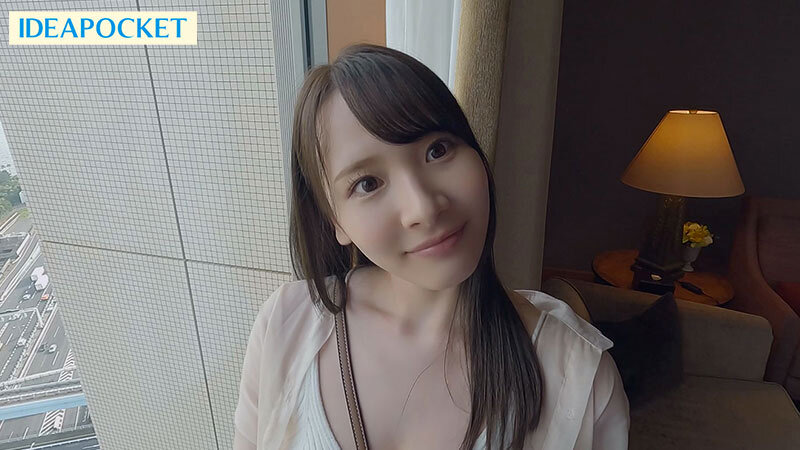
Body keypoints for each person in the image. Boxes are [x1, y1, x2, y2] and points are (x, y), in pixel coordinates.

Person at [233, 44, 629, 450]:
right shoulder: (285, 328)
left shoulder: (579, 377)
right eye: (367, 184)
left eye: (437, 150)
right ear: (334, 220)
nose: (423, 208)